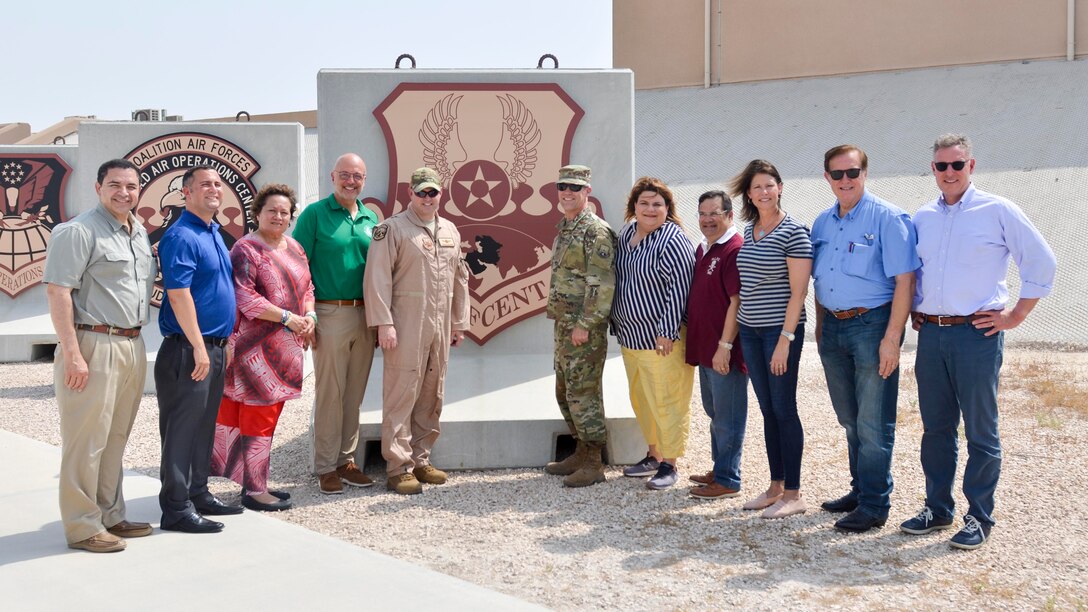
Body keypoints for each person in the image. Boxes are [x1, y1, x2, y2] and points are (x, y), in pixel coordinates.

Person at [900, 134, 1056, 550]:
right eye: (940, 166)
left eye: (956, 164)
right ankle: (937, 508)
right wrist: (918, 306)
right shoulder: (923, 216)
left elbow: (1041, 261)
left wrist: (1015, 315)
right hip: (931, 335)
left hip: (977, 335)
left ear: (972, 166)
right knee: (935, 428)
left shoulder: (998, 210)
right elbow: (917, 270)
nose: (948, 172)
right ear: (932, 169)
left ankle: (979, 516)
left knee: (980, 432)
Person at [44, 159, 156, 552]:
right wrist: (73, 354)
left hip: (131, 343)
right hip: (93, 343)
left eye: (130, 185)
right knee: (86, 439)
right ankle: (81, 526)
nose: (124, 192)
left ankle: (110, 514)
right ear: (97, 187)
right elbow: (58, 292)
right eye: (114, 185)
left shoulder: (137, 232)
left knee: (115, 437)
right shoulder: (77, 232)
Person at [811, 145, 920, 532]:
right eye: (837, 174)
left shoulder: (888, 218)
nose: (845, 181)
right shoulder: (823, 223)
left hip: (872, 326)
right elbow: (819, 279)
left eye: (852, 173)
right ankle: (860, 491)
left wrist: (893, 338)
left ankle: (875, 505)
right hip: (833, 329)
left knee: (874, 422)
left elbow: (905, 282)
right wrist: (822, 324)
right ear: (826, 178)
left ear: (865, 174)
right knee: (850, 419)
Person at [363, 167, 469, 495]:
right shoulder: (391, 229)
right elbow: (377, 277)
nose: (427, 198)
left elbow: (459, 278)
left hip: (439, 326)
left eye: (432, 192)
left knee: (431, 393)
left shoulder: (450, 230)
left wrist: (459, 322)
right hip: (405, 324)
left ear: (441, 194)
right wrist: (384, 323)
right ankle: (398, 466)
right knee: (401, 393)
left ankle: (421, 459)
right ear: (410, 193)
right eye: (421, 192)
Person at [209, 184, 315, 512]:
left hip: (287, 347)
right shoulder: (246, 249)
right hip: (255, 352)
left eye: (284, 212)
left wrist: (309, 315)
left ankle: (254, 483)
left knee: (268, 416)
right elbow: (244, 296)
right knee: (257, 418)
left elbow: (308, 285)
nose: (279, 216)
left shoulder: (294, 247)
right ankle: (255, 491)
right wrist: (289, 318)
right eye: (272, 210)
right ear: (257, 213)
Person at [155, 165, 241, 534]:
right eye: (205, 184)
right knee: (181, 428)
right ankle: (175, 508)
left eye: (218, 184)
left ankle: (198, 491)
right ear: (185, 193)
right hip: (190, 349)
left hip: (213, 347)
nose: (214, 189)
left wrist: (224, 343)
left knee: (204, 425)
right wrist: (199, 347)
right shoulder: (181, 235)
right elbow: (178, 294)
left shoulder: (213, 233)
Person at [729, 160, 812, 519]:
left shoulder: (794, 232)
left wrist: (785, 339)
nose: (763, 192)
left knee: (784, 409)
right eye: (756, 187)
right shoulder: (749, 232)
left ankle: (794, 494)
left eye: (769, 185)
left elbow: (799, 293)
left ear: (780, 187)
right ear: (748, 194)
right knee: (767, 411)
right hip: (750, 330)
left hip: (780, 334)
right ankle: (775, 486)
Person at [293, 153, 380, 495]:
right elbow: (297, 267)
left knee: (354, 392)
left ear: (364, 180)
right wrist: (306, 314)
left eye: (357, 176)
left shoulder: (371, 217)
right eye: (344, 174)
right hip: (329, 312)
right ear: (332, 176)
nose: (350, 181)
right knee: (330, 392)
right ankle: (325, 466)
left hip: (365, 315)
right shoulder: (315, 214)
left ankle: (346, 460)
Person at [611, 177, 695, 490]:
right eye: (644, 203)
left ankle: (670, 463)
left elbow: (679, 289)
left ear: (667, 208)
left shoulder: (673, 239)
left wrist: (668, 330)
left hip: (661, 338)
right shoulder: (626, 234)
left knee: (668, 399)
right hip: (630, 336)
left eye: (657, 204)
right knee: (642, 398)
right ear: (634, 207)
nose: (650, 209)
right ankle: (653, 454)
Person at [543, 165, 617, 488]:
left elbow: (600, 283)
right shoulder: (566, 227)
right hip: (565, 325)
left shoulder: (595, 231)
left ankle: (593, 462)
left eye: (575, 187)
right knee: (566, 390)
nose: (568, 192)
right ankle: (580, 449)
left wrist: (585, 323)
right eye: (563, 186)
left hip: (583, 327)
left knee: (584, 393)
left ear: (587, 191)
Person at [686, 190, 749, 500]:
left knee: (729, 415)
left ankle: (728, 478)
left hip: (725, 350)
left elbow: (737, 302)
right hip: (707, 348)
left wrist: (725, 345)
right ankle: (719, 467)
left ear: (729, 215)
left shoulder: (733, 250)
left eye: (714, 213)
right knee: (715, 412)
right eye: (702, 214)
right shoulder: (705, 248)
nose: (707, 219)